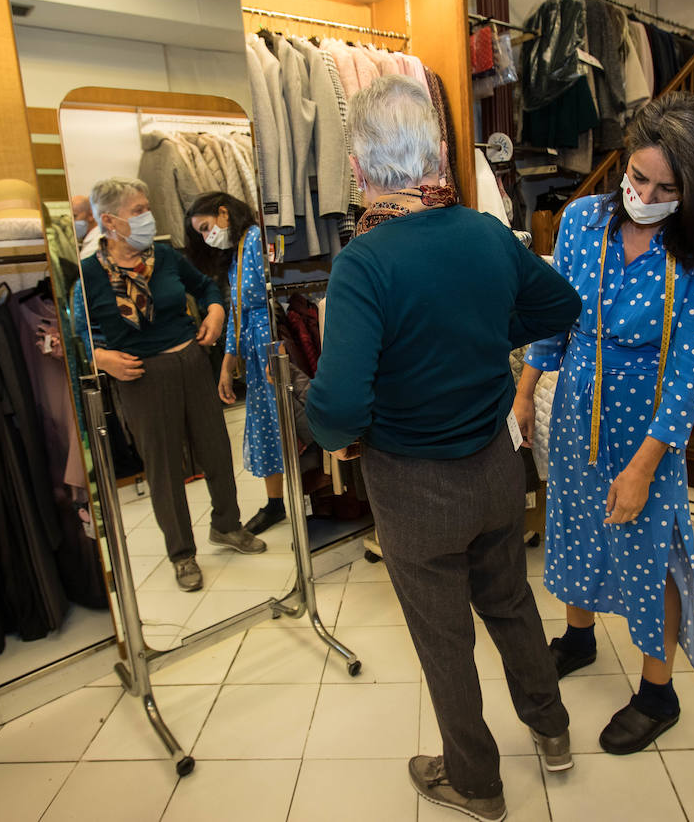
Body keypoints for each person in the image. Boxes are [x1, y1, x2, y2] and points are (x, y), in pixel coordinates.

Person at [307, 75, 582, 822]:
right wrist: (488, 331)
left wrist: (338, 434)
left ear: (361, 170)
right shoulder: (485, 234)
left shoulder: (366, 261)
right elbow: (560, 304)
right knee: (512, 604)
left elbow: (336, 403)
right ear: (433, 153)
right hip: (496, 463)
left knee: (443, 639)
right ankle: (553, 733)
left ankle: (478, 784)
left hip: (414, 482)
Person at [513, 92, 694, 755]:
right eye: (638, 177)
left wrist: (644, 466)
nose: (644, 193)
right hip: (577, 404)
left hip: (648, 427)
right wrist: (527, 391)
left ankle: (657, 691)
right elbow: (556, 317)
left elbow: (686, 378)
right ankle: (579, 636)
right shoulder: (584, 220)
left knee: (650, 550)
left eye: (665, 187)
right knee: (575, 524)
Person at [74, 177, 266, 593]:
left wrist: (215, 312)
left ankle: (227, 526)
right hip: (142, 377)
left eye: (147, 207)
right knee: (163, 468)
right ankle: (182, 554)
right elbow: (80, 333)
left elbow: (206, 288)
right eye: (138, 210)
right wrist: (102, 358)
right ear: (109, 221)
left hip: (191, 361)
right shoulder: (88, 275)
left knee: (216, 448)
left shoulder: (163, 257)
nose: (149, 217)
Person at [186, 192, 287, 535]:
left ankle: (305, 499)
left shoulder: (258, 240)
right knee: (266, 427)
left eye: (205, 227)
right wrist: (227, 364)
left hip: (273, 349)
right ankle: (275, 504)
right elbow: (237, 312)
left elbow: (273, 297)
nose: (205, 236)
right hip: (256, 354)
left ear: (224, 213)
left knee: (287, 423)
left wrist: (273, 351)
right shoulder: (236, 252)